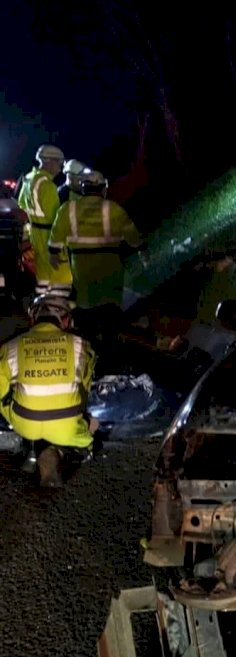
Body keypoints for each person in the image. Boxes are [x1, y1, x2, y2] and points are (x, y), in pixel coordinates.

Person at [0, 295, 96, 487]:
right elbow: (85, 390)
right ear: (66, 320)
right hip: (68, 428)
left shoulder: (10, 347)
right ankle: (64, 450)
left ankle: (35, 445)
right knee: (93, 422)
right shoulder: (81, 346)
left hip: (24, 424)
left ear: (33, 319)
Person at [48, 169, 142, 309]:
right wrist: (141, 249)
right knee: (111, 303)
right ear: (103, 188)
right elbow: (132, 235)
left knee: (86, 302)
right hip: (110, 264)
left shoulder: (67, 208)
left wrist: (53, 254)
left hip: (81, 266)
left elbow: (56, 236)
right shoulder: (114, 208)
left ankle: (89, 327)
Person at [17, 144, 74, 300]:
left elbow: (21, 207)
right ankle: (59, 309)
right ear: (49, 162)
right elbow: (57, 218)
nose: (60, 169)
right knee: (62, 277)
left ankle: (43, 305)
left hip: (36, 236)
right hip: (50, 237)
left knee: (43, 277)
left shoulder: (29, 179)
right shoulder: (48, 185)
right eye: (59, 164)